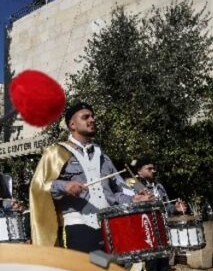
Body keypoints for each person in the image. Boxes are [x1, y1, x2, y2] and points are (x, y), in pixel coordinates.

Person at [29, 102, 147, 253]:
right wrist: (65, 186)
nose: (92, 120)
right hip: (77, 225)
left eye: (92, 116)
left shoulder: (103, 157)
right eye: (85, 117)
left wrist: (133, 199)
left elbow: (116, 191)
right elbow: (40, 187)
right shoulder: (56, 152)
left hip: (109, 226)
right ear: (72, 124)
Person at [126, 156, 187, 271]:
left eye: (154, 168)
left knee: (163, 262)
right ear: (139, 170)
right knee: (150, 262)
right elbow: (126, 204)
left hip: (162, 227)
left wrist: (176, 209)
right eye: (149, 168)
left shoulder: (158, 186)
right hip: (144, 227)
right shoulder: (131, 184)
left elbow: (166, 207)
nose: (154, 171)